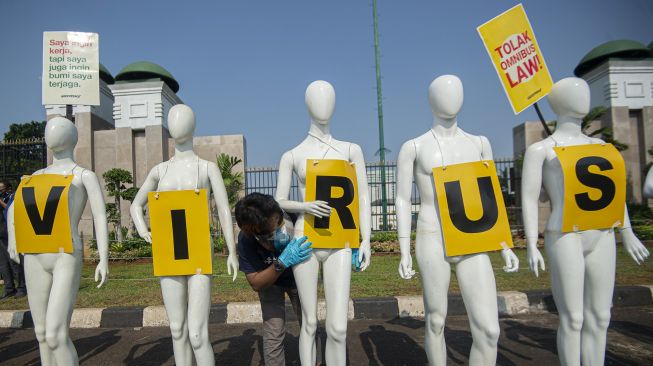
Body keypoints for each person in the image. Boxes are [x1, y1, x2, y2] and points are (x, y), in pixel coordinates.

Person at [522, 77, 649, 365]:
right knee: (573, 318)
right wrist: (531, 243)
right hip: (565, 234)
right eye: (575, 93)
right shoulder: (541, 150)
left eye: (585, 92)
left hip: (603, 234)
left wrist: (626, 231)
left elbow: (614, 194)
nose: (583, 97)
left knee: (601, 316)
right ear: (557, 102)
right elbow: (529, 199)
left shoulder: (601, 146)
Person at [395, 75, 518, 365]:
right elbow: (402, 199)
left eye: (457, 92)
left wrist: (503, 244)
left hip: (473, 238)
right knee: (436, 321)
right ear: (431, 99)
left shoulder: (479, 143)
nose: (451, 99)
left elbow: (491, 196)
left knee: (489, 330)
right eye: (444, 93)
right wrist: (404, 249)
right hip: (432, 236)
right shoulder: (414, 146)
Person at [130, 104, 238, 366]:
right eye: (173, 119)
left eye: (182, 119)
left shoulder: (207, 168)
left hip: (199, 248)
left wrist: (232, 251)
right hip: (169, 250)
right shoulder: (159, 170)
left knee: (197, 333)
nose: (178, 123)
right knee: (177, 329)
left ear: (192, 125)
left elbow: (223, 208)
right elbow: (136, 205)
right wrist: (143, 230)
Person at [7, 117, 109, 366]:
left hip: (65, 255)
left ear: (73, 137)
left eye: (60, 128)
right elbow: (14, 208)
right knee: (42, 334)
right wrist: (12, 239)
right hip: (34, 254)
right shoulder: (34, 176)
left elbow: (99, 215)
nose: (52, 131)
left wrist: (103, 258)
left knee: (55, 334)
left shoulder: (84, 175)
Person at [235, 192, 313, 366]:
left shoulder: (296, 215)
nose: (280, 232)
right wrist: (282, 262)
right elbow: (256, 282)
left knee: (310, 323)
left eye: (280, 224)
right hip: (269, 281)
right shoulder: (246, 239)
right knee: (273, 331)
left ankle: (317, 361)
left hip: (299, 279)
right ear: (256, 235)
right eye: (273, 233)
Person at [0, 181, 25, 299]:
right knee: (3, 263)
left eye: (2, 188)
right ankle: (9, 288)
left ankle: (22, 287)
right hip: (1, 233)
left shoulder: (13, 196)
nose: (1, 191)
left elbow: (10, 210)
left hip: (8, 231)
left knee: (14, 260)